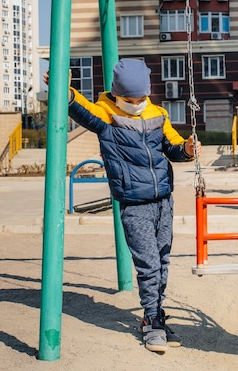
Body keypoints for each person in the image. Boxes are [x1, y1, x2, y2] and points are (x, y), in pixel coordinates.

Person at [44, 58, 200, 353]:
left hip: (164, 200)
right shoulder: (107, 117)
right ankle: (152, 321)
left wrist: (188, 150)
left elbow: (174, 147)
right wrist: (62, 88)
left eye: (141, 97)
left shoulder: (158, 114)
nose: (136, 103)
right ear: (116, 94)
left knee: (163, 261)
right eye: (129, 99)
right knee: (149, 265)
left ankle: (156, 314)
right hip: (134, 204)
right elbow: (78, 107)